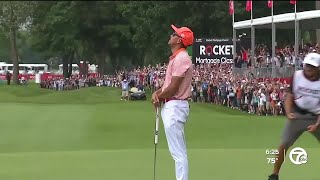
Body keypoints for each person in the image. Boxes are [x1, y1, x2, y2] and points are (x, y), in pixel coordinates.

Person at [268, 52, 320, 180]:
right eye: (307, 65)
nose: (308, 68)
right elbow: (289, 95)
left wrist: (317, 124)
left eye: (312, 66)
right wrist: (288, 111)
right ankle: (274, 174)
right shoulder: (297, 76)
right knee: (284, 144)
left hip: (316, 116)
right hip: (297, 114)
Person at [151, 24, 194, 180]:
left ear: (179, 40)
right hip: (172, 105)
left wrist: (158, 95)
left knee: (178, 153)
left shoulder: (182, 58)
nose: (171, 35)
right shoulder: (177, 58)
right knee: (178, 152)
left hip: (175, 105)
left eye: (174, 34)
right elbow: (169, 86)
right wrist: (159, 93)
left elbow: (174, 87)